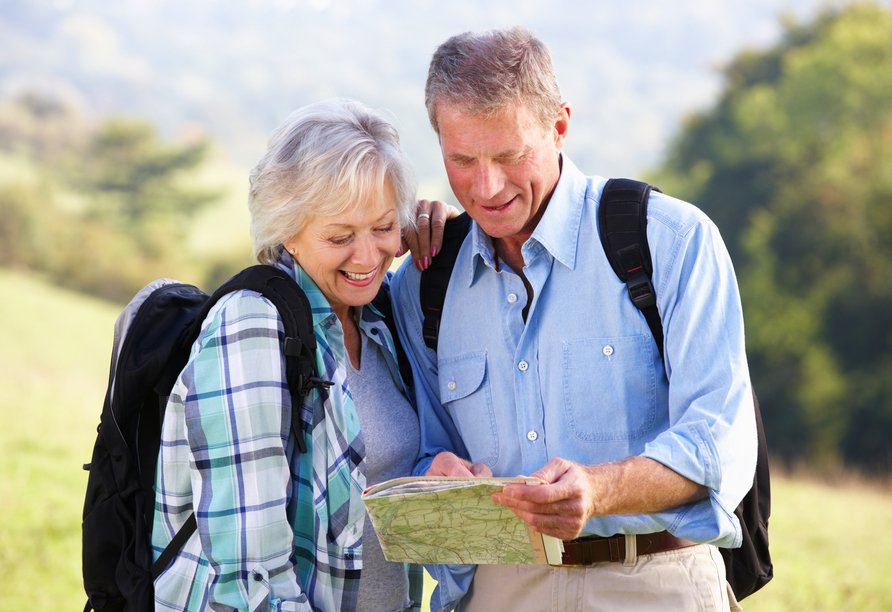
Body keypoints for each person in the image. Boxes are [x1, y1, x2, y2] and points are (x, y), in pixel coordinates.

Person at [389, 28, 758, 612]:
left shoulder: (671, 241)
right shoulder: (423, 282)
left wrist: (600, 489)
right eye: (462, 160)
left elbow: (719, 444)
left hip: (657, 581)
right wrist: (432, 475)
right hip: (501, 588)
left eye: (509, 156)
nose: (486, 188)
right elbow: (412, 450)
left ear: (559, 126)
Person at [151, 98, 454, 612]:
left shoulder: (378, 321)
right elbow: (250, 579)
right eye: (340, 236)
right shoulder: (251, 329)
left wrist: (427, 480)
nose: (366, 257)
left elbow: (365, 485)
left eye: (383, 228)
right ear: (287, 230)